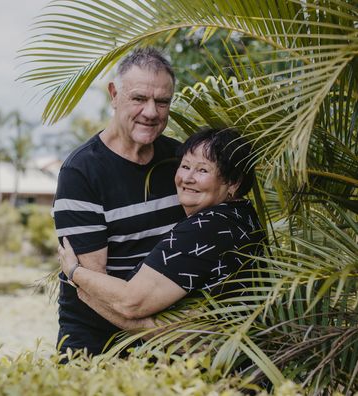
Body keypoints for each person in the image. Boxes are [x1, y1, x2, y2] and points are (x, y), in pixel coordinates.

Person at [59, 127, 266, 336]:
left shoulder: (205, 230)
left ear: (233, 182)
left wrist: (75, 273)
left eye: (203, 170)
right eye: (185, 166)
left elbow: (131, 302)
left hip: (203, 363)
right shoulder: (243, 215)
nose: (188, 178)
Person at [53, 47, 186, 356]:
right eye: (139, 98)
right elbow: (92, 290)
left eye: (162, 101)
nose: (151, 112)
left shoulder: (181, 162)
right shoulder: (81, 173)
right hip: (98, 340)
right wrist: (169, 339)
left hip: (168, 331)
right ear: (114, 94)